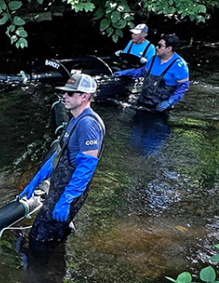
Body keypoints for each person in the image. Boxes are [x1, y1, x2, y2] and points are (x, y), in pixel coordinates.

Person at [19, 74, 105, 243]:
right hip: (59, 188)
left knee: (38, 239)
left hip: (68, 192)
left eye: (70, 93)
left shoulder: (88, 124)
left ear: (84, 96)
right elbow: (60, 154)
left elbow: (86, 167)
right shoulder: (75, 119)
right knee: (52, 236)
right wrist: (37, 179)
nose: (64, 96)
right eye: (65, 92)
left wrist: (66, 200)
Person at [115, 34, 190, 112]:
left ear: (169, 48)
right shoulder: (153, 59)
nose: (156, 48)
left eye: (160, 46)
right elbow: (142, 71)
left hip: (160, 109)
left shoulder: (179, 66)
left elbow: (182, 87)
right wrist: (125, 72)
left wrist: (169, 101)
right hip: (142, 103)